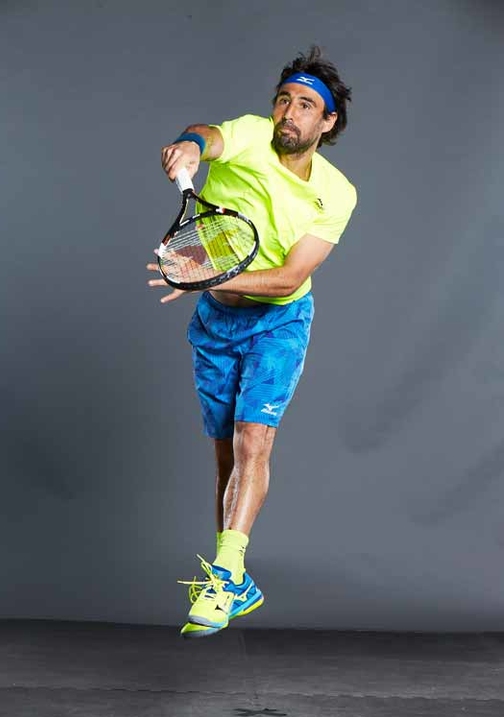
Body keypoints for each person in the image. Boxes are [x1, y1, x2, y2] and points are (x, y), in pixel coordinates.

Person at [147, 46, 357, 638]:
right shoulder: (249, 134)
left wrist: (203, 275)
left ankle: (225, 574)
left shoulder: (338, 194)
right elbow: (208, 135)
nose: (289, 112)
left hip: (279, 323)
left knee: (253, 441)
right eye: (284, 99)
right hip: (215, 323)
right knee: (227, 460)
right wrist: (189, 145)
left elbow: (289, 278)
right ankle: (235, 581)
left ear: (327, 121)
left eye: (306, 104)